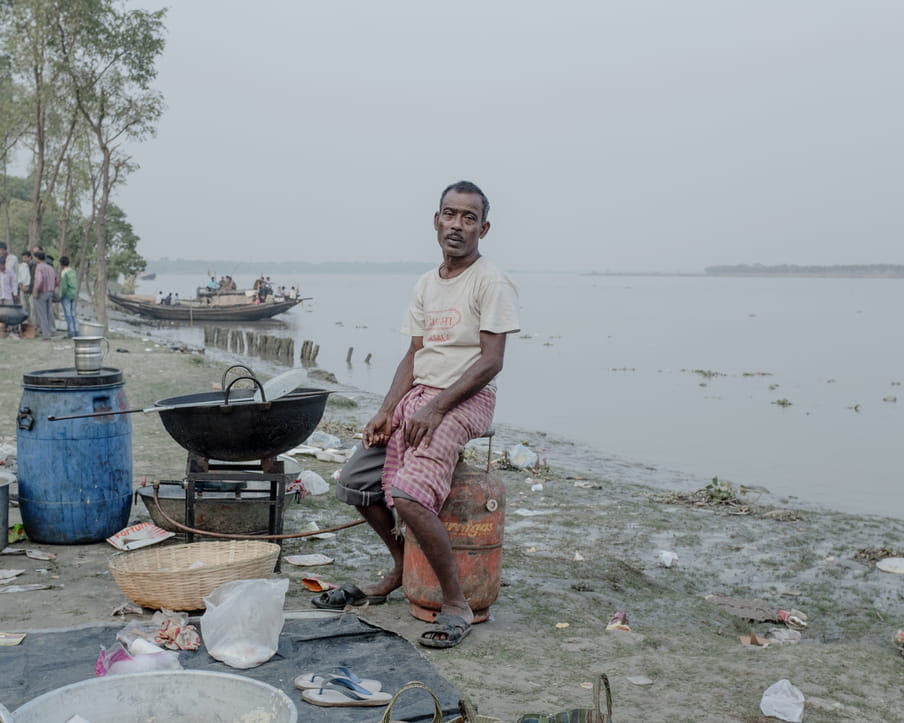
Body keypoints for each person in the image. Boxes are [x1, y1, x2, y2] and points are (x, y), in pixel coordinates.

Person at [310, 181, 520, 649]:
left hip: (466, 397)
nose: (457, 225)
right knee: (357, 484)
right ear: (436, 220)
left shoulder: (491, 281)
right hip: (420, 396)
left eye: (469, 218)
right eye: (450, 214)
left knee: (407, 495)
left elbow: (491, 361)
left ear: (483, 228)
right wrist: (386, 411)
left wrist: (436, 407)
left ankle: (456, 603)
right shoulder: (426, 283)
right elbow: (413, 355)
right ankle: (402, 570)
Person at [31, 251, 56, 339]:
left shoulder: (39, 267)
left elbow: (39, 280)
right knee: (49, 313)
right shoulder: (50, 267)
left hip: (42, 292)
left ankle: (46, 334)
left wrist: (36, 290)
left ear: (37, 258)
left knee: (42, 313)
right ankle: (50, 331)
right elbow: (56, 280)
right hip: (50, 292)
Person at [58, 256, 78, 337]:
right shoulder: (73, 271)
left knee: (68, 314)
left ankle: (71, 332)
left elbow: (64, 287)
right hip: (73, 294)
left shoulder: (64, 272)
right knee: (73, 314)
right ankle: (76, 331)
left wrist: (61, 296)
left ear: (61, 264)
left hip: (67, 295)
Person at [18, 250, 32, 318]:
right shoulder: (21, 266)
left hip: (31, 289)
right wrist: (21, 287)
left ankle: (32, 325)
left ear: (30, 257)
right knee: (24, 306)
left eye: (25, 258)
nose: (24, 259)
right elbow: (18, 277)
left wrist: (29, 287)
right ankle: (25, 324)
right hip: (22, 288)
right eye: (23, 258)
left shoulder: (33, 266)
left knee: (32, 308)